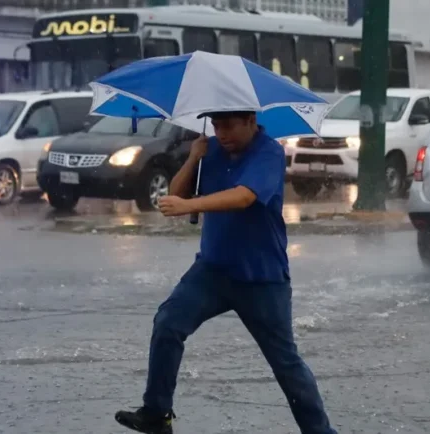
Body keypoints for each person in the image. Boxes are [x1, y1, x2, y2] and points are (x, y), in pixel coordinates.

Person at [114, 111, 337, 434]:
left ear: (250, 121)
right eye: (216, 125)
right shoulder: (210, 149)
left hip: (261, 277)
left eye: (229, 125)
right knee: (167, 324)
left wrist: (192, 206)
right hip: (213, 270)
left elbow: (244, 196)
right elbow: (175, 196)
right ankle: (157, 414)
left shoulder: (269, 152)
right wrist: (193, 159)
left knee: (286, 364)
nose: (222, 133)